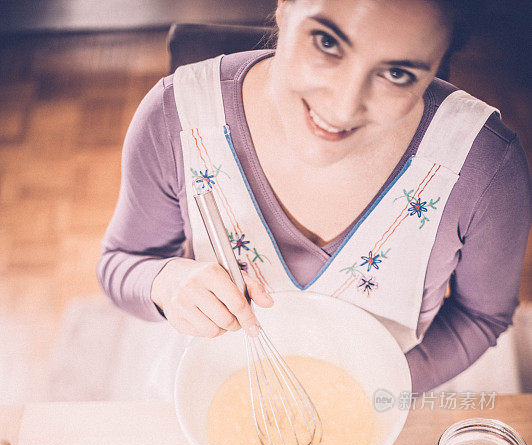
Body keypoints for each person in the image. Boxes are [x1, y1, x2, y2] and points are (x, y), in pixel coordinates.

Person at [97, 0, 531, 394]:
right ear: (285, 7)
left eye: (397, 74)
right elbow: (122, 262)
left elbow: (481, 317)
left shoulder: (487, 168)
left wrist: (373, 392)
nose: (342, 108)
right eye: (327, 42)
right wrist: (164, 282)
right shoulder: (175, 118)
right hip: (208, 387)